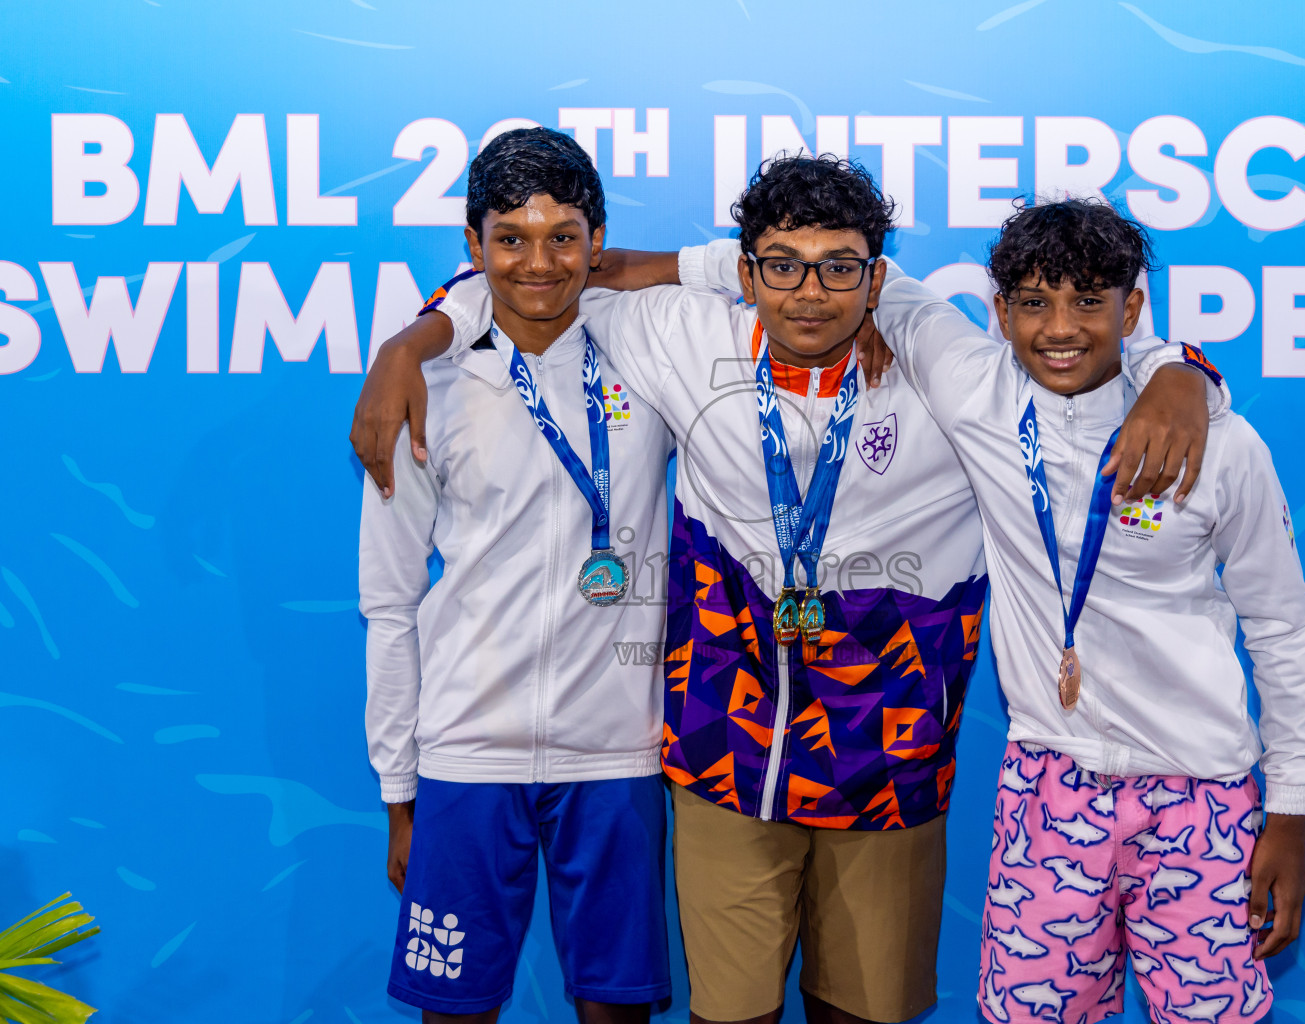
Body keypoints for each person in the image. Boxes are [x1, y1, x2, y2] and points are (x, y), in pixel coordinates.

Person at [352, 155, 1216, 1024]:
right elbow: (533, 285)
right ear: (746, 270)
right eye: (781, 266)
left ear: (877, 277)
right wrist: (410, 341)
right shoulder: (680, 338)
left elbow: (1071, 348)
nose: (811, 292)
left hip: (889, 766)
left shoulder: (937, 363)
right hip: (725, 760)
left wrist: (1177, 369)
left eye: (841, 268)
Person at [870, 198, 1305, 1023]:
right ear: (1000, 312)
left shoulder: (1222, 446)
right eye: (1035, 303)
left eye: (1089, 300)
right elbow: (870, 279)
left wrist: (1289, 808)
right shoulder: (976, 391)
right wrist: (644, 270)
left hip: (1202, 794)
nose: (1060, 327)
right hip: (1049, 783)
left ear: (1133, 308)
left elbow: (1282, 625)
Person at [358, 127, 673, 1024]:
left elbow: (753, 276)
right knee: (454, 1013)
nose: (538, 263)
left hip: (617, 753)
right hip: (465, 758)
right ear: (473, 246)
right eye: (510, 239)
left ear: (597, 240)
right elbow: (387, 603)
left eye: (563, 237)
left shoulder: (649, 349)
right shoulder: (428, 383)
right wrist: (399, 789)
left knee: (618, 1012)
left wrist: (414, 332)